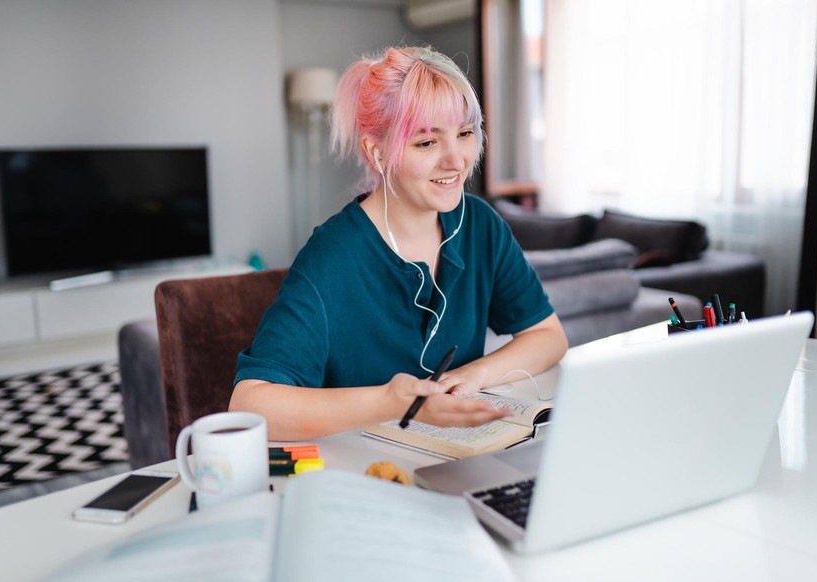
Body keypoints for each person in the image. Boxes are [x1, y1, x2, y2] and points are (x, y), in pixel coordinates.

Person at [230, 45, 567, 440]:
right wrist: (394, 401)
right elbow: (250, 404)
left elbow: (548, 336)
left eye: (464, 134)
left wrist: (473, 374)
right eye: (427, 143)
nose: (456, 160)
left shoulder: (479, 226)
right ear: (377, 153)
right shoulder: (332, 259)